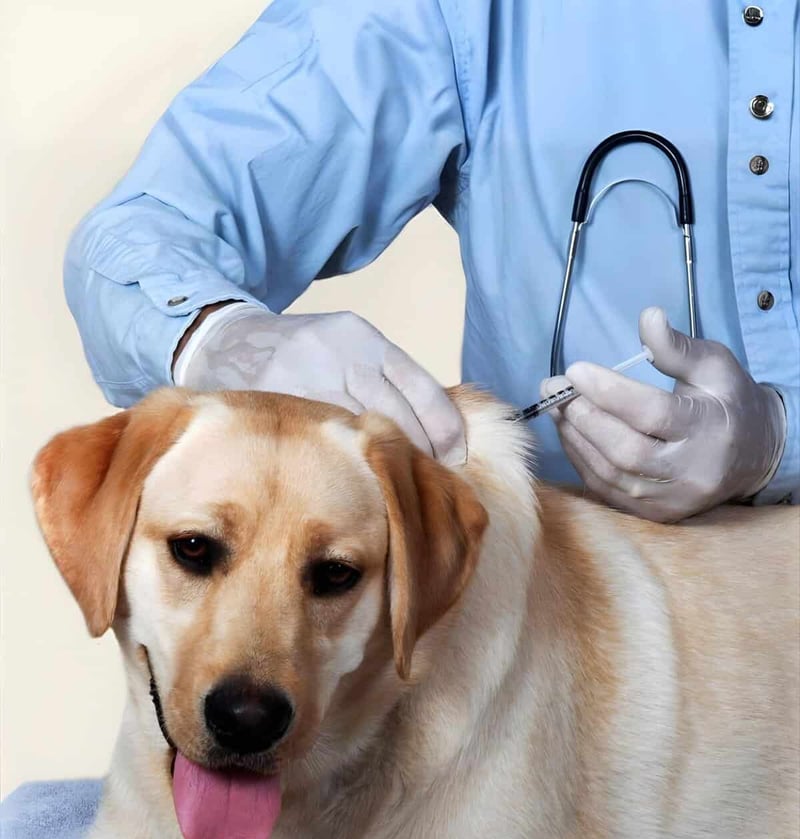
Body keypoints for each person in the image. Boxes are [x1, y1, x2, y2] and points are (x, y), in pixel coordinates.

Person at [64, 0, 799, 521]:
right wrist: (225, 340)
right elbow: (142, 230)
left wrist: (775, 441)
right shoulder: (463, 13)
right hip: (579, 659)